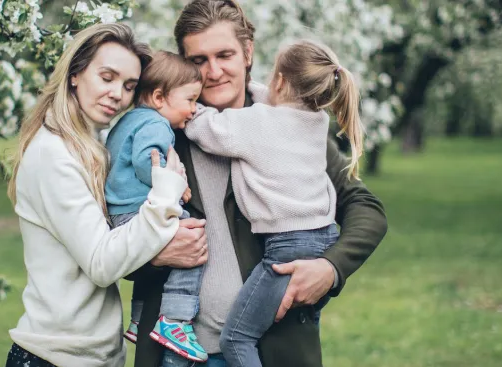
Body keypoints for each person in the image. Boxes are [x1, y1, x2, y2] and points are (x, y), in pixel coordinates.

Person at [130, 1, 389, 366]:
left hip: (273, 351)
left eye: (224, 54)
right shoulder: (160, 133)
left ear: (247, 52)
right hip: (179, 354)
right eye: (199, 60)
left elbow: (366, 208)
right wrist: (155, 256)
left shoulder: (290, 123)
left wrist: (330, 269)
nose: (214, 71)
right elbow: (111, 238)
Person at [4, 23, 208, 367]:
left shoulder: (92, 146)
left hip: (93, 355)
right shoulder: (52, 154)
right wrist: (166, 193)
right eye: (107, 77)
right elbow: (101, 263)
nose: (118, 94)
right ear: (75, 74)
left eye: (129, 86)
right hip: (56, 356)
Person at [183, 39, 366, 367]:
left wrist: (178, 101)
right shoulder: (315, 120)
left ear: (279, 82)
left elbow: (205, 127)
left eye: (225, 54)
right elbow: (285, 104)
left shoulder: (257, 123)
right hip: (323, 238)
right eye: (199, 59)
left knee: (237, 338)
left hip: (286, 250)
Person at [104, 51, 210, 362]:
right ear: (160, 97)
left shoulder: (130, 120)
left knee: (156, 260)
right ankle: (175, 321)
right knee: (192, 240)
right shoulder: (157, 124)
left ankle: (139, 319)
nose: (193, 110)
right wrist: (174, 183)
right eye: (190, 100)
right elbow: (146, 163)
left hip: (121, 213)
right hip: (137, 211)